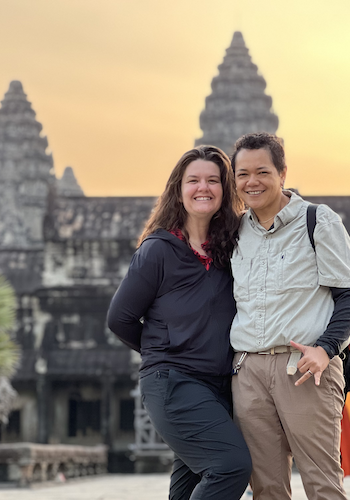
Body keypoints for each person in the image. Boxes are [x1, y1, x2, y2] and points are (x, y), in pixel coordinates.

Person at [107, 145, 251, 500]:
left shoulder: (231, 250)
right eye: (193, 180)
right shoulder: (158, 249)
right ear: (179, 189)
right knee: (230, 466)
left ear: (225, 189)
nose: (203, 188)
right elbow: (120, 318)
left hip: (219, 387)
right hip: (174, 384)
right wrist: (165, 349)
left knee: (188, 488)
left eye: (213, 180)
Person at [230, 132, 350, 500]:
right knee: (266, 487)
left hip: (305, 366)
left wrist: (326, 348)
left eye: (262, 172)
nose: (252, 182)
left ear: (282, 173)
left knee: (322, 482)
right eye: (243, 174)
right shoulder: (235, 231)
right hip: (248, 370)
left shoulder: (317, 220)